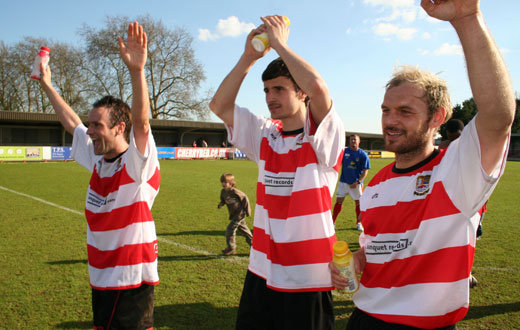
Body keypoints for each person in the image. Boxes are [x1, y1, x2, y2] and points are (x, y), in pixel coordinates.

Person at [330, 1, 515, 329]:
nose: (390, 121)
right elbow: (375, 248)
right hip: (363, 320)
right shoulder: (377, 183)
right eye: (386, 110)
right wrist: (358, 259)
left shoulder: (457, 172)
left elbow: (498, 116)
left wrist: (468, 19)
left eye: (405, 111)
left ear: (437, 118)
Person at [209, 15, 345, 330]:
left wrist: (281, 45)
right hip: (262, 268)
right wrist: (248, 58)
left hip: (308, 274)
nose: (270, 98)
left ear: (301, 94)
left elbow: (319, 86)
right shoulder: (266, 134)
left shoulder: (323, 136)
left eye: (280, 89)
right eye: (267, 90)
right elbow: (219, 105)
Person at [40, 22, 161, 330]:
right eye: (91, 125)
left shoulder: (136, 164)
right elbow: (71, 122)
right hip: (101, 275)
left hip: (130, 278)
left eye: (97, 125)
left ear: (120, 127)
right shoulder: (98, 158)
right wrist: (47, 85)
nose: (90, 131)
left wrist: (137, 71)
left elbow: (143, 124)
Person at [332, 134, 370, 230]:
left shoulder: (363, 155)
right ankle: (332, 223)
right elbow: (337, 163)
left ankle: (359, 223)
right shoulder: (344, 152)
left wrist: (358, 182)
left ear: (359, 141)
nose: (353, 141)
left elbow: (365, 171)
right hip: (343, 182)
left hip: (355, 184)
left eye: (355, 140)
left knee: (358, 203)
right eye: (351, 139)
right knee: (338, 202)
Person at [218, 173, 253, 256]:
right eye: (222, 182)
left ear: (231, 183)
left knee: (230, 229)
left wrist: (247, 211)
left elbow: (245, 198)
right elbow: (224, 199)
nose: (223, 184)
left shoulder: (235, 191)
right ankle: (255, 247)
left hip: (239, 214)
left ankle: (231, 248)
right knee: (245, 231)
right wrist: (221, 204)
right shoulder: (223, 192)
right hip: (233, 214)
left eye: (225, 182)